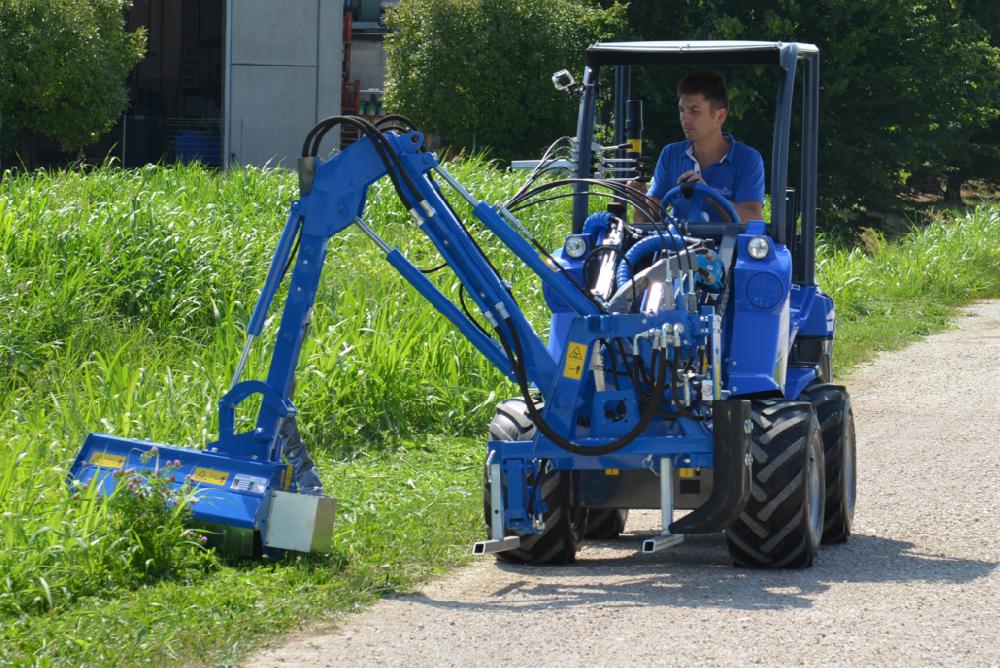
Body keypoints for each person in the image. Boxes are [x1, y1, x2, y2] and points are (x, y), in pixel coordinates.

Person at [631, 70, 765, 224]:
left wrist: (709, 195)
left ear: (720, 116)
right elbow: (648, 221)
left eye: (694, 111)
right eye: (682, 110)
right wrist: (639, 201)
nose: (685, 119)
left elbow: (753, 218)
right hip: (676, 246)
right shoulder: (670, 154)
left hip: (727, 247)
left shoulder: (747, 159)